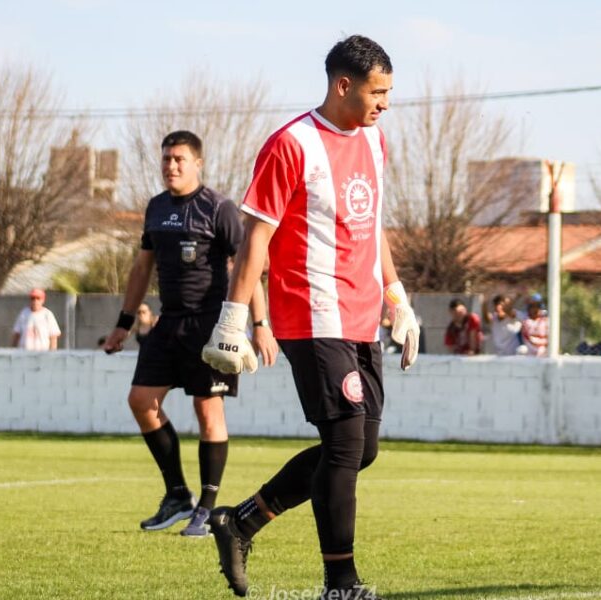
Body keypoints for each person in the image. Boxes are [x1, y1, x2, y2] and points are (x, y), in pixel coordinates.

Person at [200, 36, 417, 600]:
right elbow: (257, 238)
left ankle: (241, 521)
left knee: (361, 449)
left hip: (362, 318)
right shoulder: (290, 144)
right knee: (345, 444)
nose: (385, 103)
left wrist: (397, 298)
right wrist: (234, 319)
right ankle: (340, 583)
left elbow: (372, 228)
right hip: (312, 312)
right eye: (378, 91)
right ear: (343, 85)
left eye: (389, 92)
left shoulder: (375, 140)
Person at [101, 130, 277, 538]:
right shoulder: (156, 208)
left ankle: (207, 507)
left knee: (207, 410)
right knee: (141, 401)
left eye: (179, 159)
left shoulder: (219, 208)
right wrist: (124, 323)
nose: (171, 166)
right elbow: (142, 268)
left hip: (210, 324)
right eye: (166, 159)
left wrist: (259, 324)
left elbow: (250, 266)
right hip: (169, 322)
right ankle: (177, 494)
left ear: (197, 163)